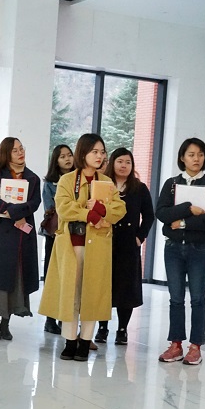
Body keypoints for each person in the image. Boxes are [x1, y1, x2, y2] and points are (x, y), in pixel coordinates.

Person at [39, 134, 126, 361]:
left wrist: (101, 209)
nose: (100, 156)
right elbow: (64, 208)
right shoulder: (68, 180)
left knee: (92, 295)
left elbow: (120, 210)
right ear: (83, 153)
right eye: (95, 152)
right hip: (71, 245)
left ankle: (85, 342)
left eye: (102, 152)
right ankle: (69, 341)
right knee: (71, 294)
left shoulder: (106, 182)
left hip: (97, 247)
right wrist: (90, 214)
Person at [155, 138, 205, 366]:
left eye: (200, 154)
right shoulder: (172, 184)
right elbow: (162, 213)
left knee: (197, 298)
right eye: (191, 154)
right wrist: (188, 209)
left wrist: (183, 223)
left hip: (199, 249)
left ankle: (195, 347)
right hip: (173, 248)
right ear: (182, 158)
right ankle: (175, 344)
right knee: (175, 298)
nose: (196, 159)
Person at [0, 137, 41, 340]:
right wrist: (12, 211)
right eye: (15, 150)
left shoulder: (33, 178)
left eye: (21, 148)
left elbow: (35, 203)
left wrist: (16, 212)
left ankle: (6, 323)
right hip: (0, 236)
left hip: (22, 236)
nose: (21, 153)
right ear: (6, 154)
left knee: (16, 280)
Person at [95, 148, 154, 345]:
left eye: (128, 162)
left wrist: (140, 237)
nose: (123, 166)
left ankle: (122, 329)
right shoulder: (103, 184)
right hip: (106, 240)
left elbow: (149, 215)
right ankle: (102, 328)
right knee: (105, 285)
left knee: (126, 287)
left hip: (129, 243)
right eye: (120, 161)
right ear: (112, 162)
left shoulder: (139, 188)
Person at [40, 144, 73, 335]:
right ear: (56, 160)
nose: (67, 159)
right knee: (52, 276)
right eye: (62, 156)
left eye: (69, 155)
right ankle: (50, 319)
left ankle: (64, 317)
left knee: (69, 277)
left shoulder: (78, 180)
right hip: (55, 234)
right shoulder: (50, 183)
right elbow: (51, 208)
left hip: (73, 233)